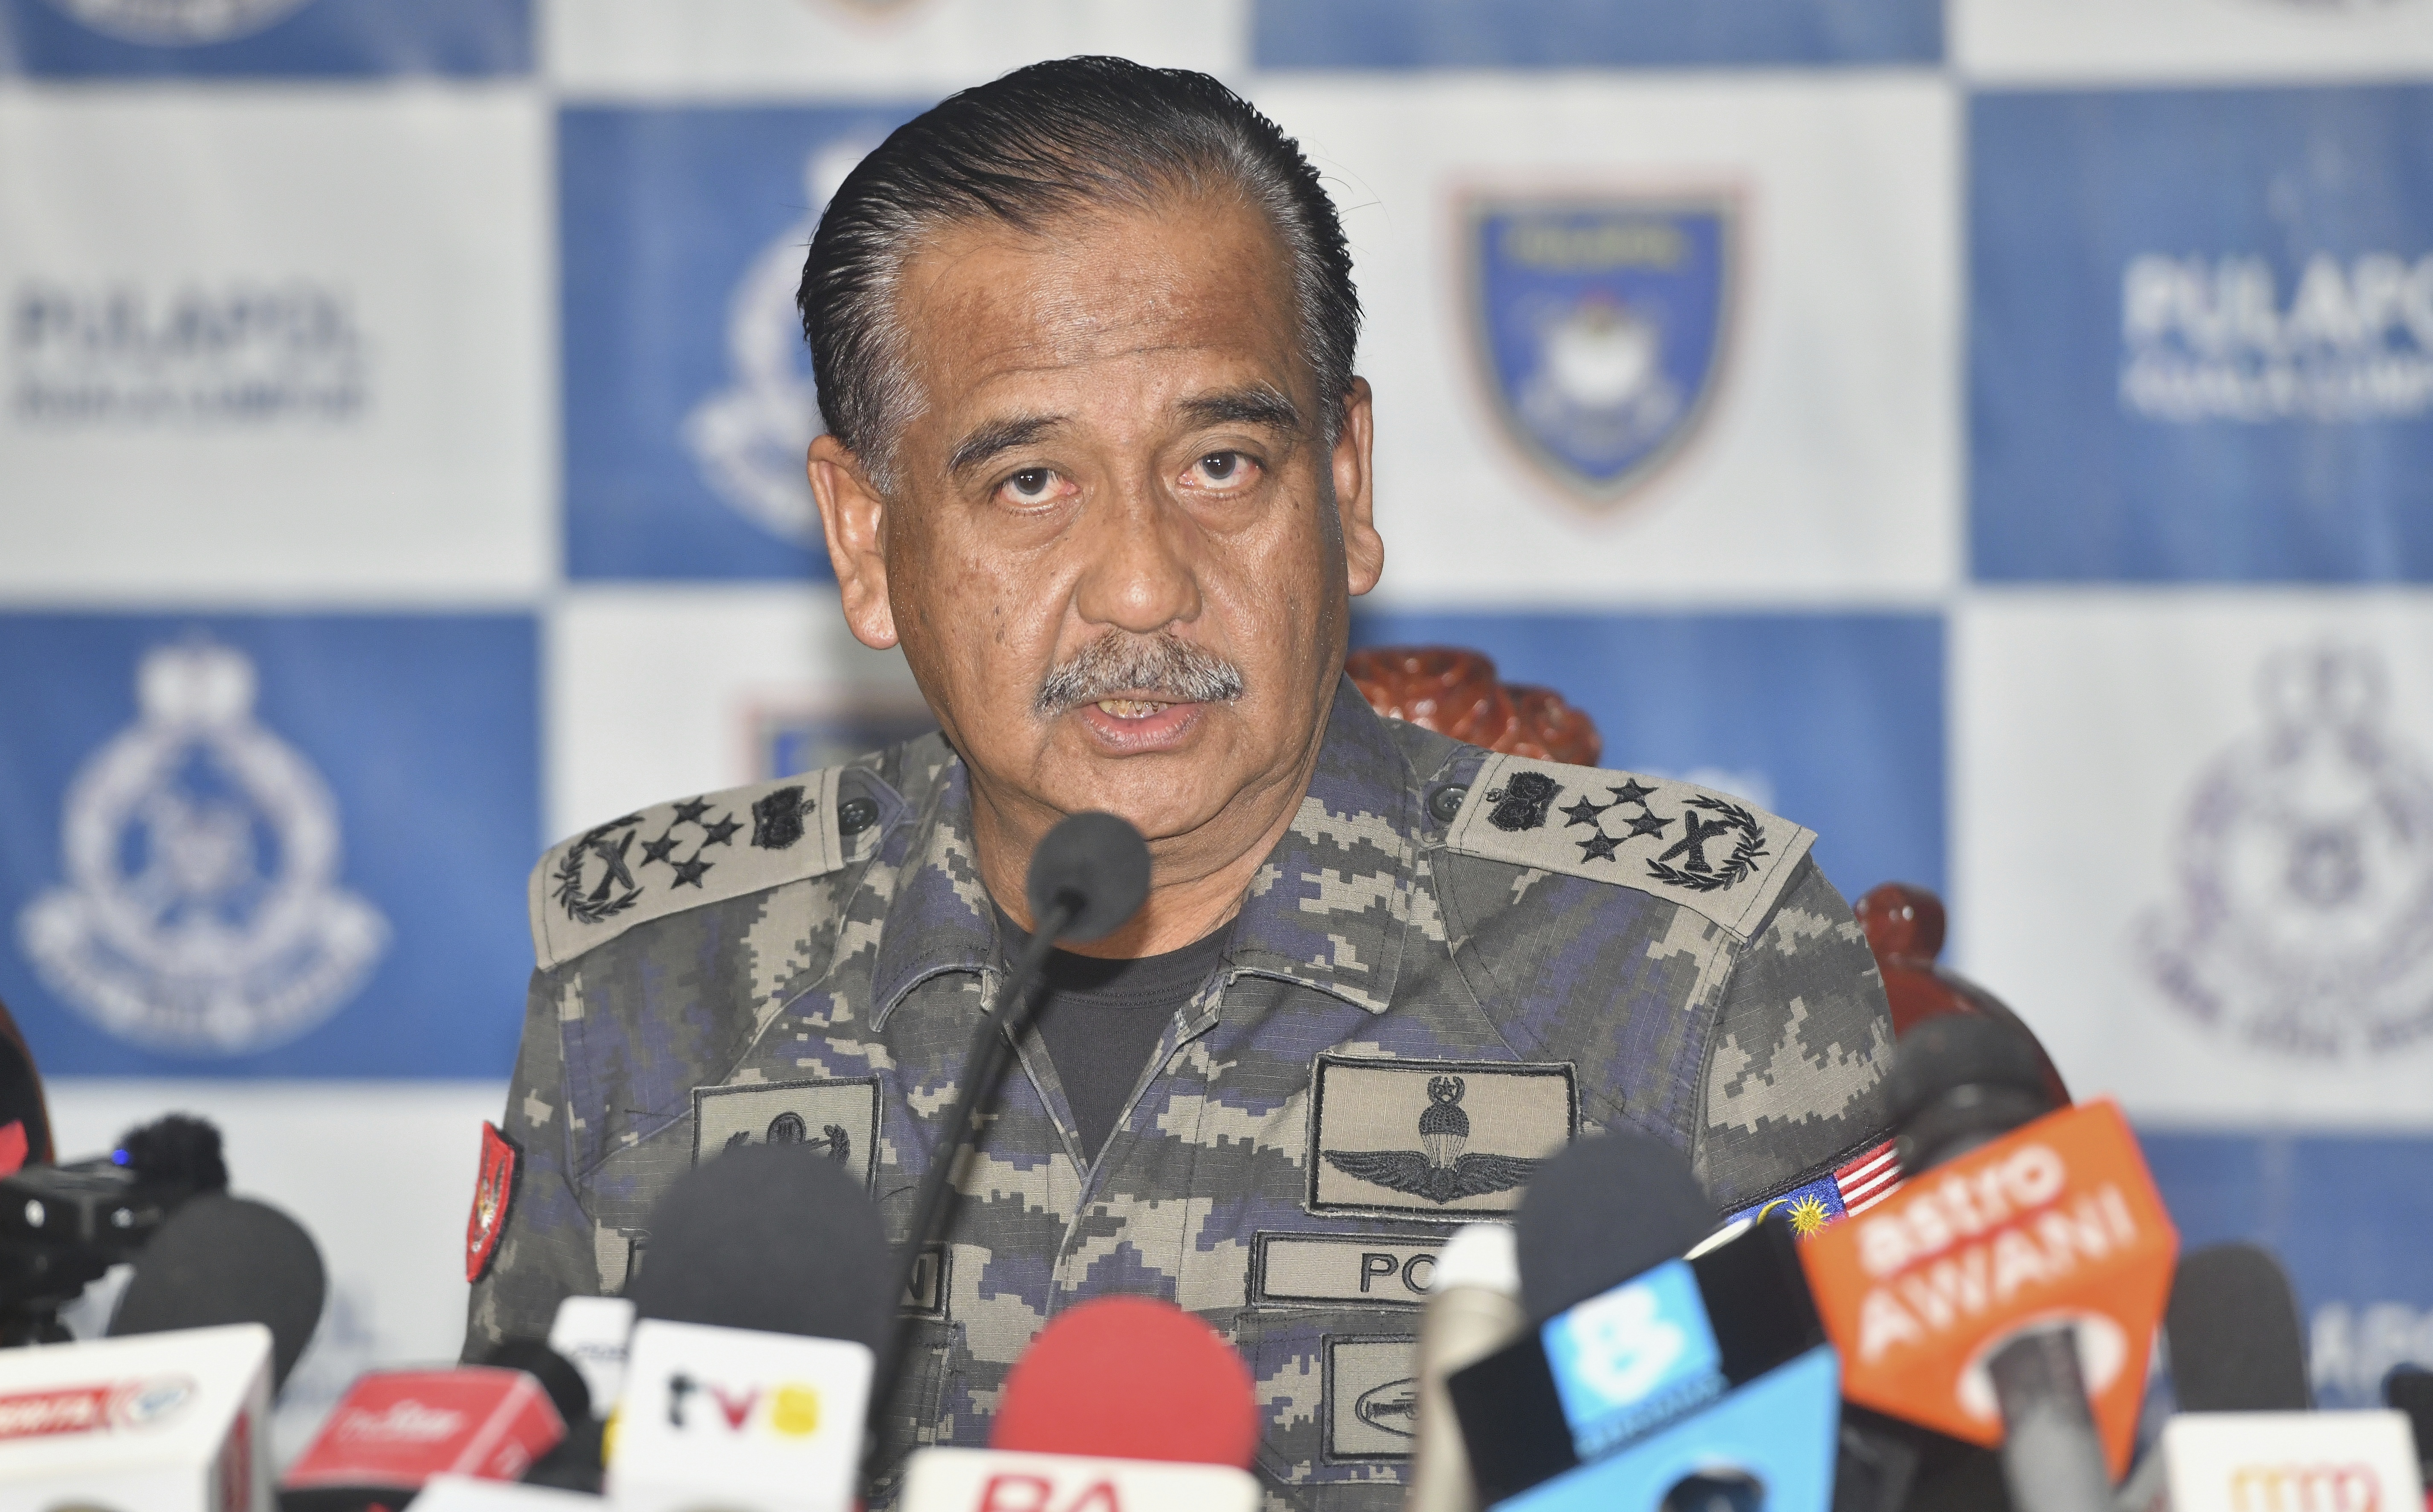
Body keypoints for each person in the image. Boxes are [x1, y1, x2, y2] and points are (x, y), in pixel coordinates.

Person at [466, 56, 1896, 1507]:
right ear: (863, 536)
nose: (1143, 588)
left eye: (1220, 464)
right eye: (1030, 484)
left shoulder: (1686, 971)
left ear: (1342, 484)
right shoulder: (650, 989)